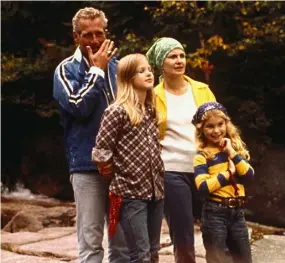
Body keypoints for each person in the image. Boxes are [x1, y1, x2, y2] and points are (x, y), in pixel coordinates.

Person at [53, 7, 129, 263]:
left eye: (99, 33)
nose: (95, 41)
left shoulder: (120, 69)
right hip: (86, 166)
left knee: (122, 242)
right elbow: (78, 106)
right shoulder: (65, 71)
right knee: (91, 241)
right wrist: (96, 71)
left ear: (106, 33)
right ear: (76, 36)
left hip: (121, 167)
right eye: (87, 35)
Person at [146, 37, 216, 263]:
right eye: (172, 56)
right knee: (183, 233)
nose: (179, 61)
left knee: (215, 229)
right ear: (161, 63)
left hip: (206, 168)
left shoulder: (202, 90)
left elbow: (220, 126)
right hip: (171, 170)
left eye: (182, 55)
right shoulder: (152, 95)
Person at [92, 53, 164, 263]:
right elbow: (101, 150)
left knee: (153, 252)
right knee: (139, 254)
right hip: (130, 195)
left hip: (155, 192)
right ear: (128, 77)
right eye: (141, 71)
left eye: (149, 69)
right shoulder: (117, 112)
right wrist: (118, 176)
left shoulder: (150, 110)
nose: (148, 73)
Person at [192, 102, 254, 263]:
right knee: (218, 259)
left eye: (220, 124)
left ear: (227, 124)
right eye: (210, 126)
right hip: (214, 213)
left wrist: (231, 152)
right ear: (201, 130)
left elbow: (249, 176)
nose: (216, 130)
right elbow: (203, 187)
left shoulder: (235, 151)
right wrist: (227, 174)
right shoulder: (202, 156)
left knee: (244, 258)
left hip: (237, 213)